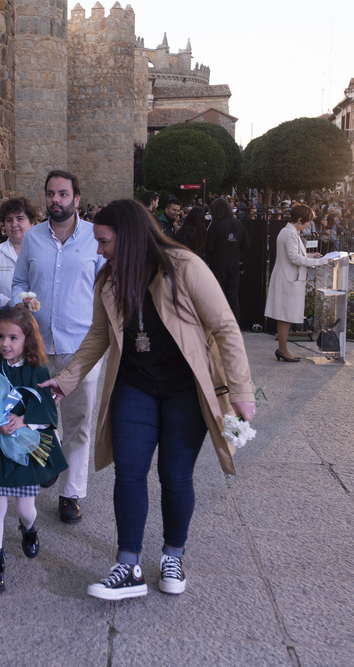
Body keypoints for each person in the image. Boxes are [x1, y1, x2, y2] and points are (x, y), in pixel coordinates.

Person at [40, 198, 255, 601]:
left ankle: (173, 554)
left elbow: (225, 326)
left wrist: (242, 393)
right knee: (130, 472)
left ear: (130, 236)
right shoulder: (108, 280)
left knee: (175, 476)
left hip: (184, 391)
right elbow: (99, 337)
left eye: (104, 241)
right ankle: (128, 565)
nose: (99, 250)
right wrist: (65, 380)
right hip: (134, 386)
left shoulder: (184, 267)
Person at [11, 169, 103, 524]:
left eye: (63, 194)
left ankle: (71, 494)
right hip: (39, 345)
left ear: (77, 198)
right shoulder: (33, 238)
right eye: (51, 194)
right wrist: (23, 298)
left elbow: (105, 288)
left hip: (82, 348)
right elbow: (19, 281)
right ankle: (47, 463)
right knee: (39, 417)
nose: (56, 201)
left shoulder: (96, 238)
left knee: (78, 422)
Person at [0, 307, 68, 593]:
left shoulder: (38, 371)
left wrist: (24, 420)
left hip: (26, 448)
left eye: (13, 337)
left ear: (28, 340)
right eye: (1, 337)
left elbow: (46, 410)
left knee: (26, 509)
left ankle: (29, 529)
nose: (5, 344)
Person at [264, 203, 332, 362]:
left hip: (289, 278)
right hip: (288, 279)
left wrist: (311, 255)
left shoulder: (290, 232)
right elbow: (294, 258)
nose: (309, 225)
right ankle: (282, 349)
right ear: (300, 219)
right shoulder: (289, 234)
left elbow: (295, 255)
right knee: (285, 315)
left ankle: (283, 349)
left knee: (285, 315)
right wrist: (318, 261)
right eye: (308, 222)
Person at [0, 197, 39, 360]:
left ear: (32, 222)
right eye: (9, 220)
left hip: (36, 338)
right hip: (1, 341)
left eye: (20, 218)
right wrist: (6, 303)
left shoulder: (44, 254)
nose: (14, 224)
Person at [205, 197, 248, 322]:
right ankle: (235, 323)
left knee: (218, 296)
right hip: (234, 264)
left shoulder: (215, 225)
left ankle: (219, 323)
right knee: (233, 296)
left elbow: (210, 247)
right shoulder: (238, 224)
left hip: (217, 264)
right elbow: (246, 244)